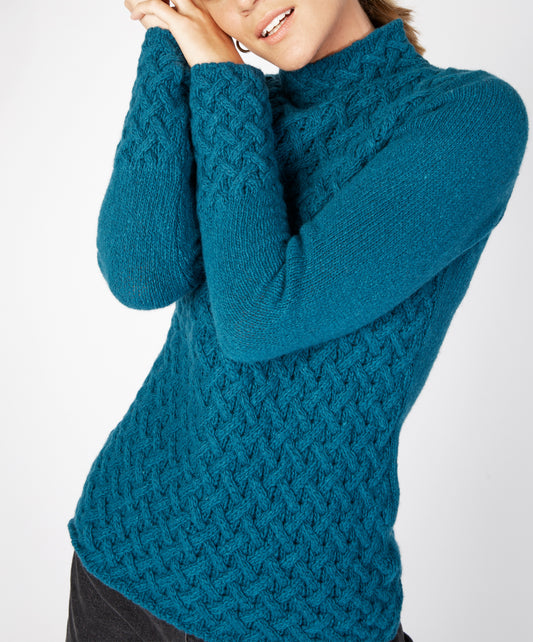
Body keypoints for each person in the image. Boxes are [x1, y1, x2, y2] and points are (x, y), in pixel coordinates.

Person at [65, 0, 529, 640]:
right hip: (123, 550)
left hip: (298, 603)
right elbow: (142, 275)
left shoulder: (466, 117)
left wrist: (222, 79)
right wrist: (171, 42)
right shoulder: (233, 105)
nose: (243, 3)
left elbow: (260, 317)